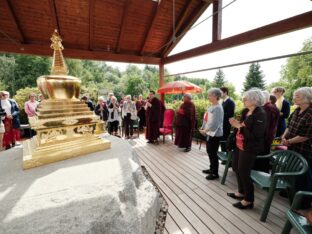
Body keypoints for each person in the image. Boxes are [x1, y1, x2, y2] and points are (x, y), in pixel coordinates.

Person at [228, 88, 266, 209]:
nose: (243, 100)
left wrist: (238, 126)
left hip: (250, 147)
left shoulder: (261, 114)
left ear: (255, 100)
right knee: (236, 168)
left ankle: (249, 199)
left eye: (246, 98)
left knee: (244, 171)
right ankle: (241, 192)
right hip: (240, 144)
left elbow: (255, 136)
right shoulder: (246, 111)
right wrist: (237, 126)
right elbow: (241, 127)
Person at [281, 87, 312, 192]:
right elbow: (289, 126)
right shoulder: (297, 110)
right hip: (292, 148)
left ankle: (303, 203)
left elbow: (305, 136)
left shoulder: (310, 114)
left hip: (306, 151)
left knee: (304, 177)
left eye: (297, 96)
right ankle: (290, 192)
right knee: (291, 171)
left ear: (307, 98)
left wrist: (288, 141)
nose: (294, 98)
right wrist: (284, 137)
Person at [253, 91, 279, 172]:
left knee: (262, 156)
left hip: (264, 137)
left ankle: (260, 173)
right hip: (269, 136)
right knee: (264, 155)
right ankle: (262, 171)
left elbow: (265, 125)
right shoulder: (273, 107)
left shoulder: (266, 108)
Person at [201, 88, 224, 180]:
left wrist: (205, 131)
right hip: (209, 133)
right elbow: (206, 118)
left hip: (214, 134)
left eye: (210, 95)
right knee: (209, 152)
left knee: (213, 153)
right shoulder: (212, 106)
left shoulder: (218, 108)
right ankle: (211, 169)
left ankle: (215, 173)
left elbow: (215, 123)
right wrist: (203, 127)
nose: (208, 97)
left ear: (215, 96)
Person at [220, 87, 235, 152]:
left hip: (226, 125)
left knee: (225, 140)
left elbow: (230, 115)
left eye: (220, 93)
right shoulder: (223, 102)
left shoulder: (230, 102)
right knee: (222, 141)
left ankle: (226, 156)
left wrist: (220, 113)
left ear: (225, 92)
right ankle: (223, 154)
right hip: (222, 124)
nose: (219, 94)